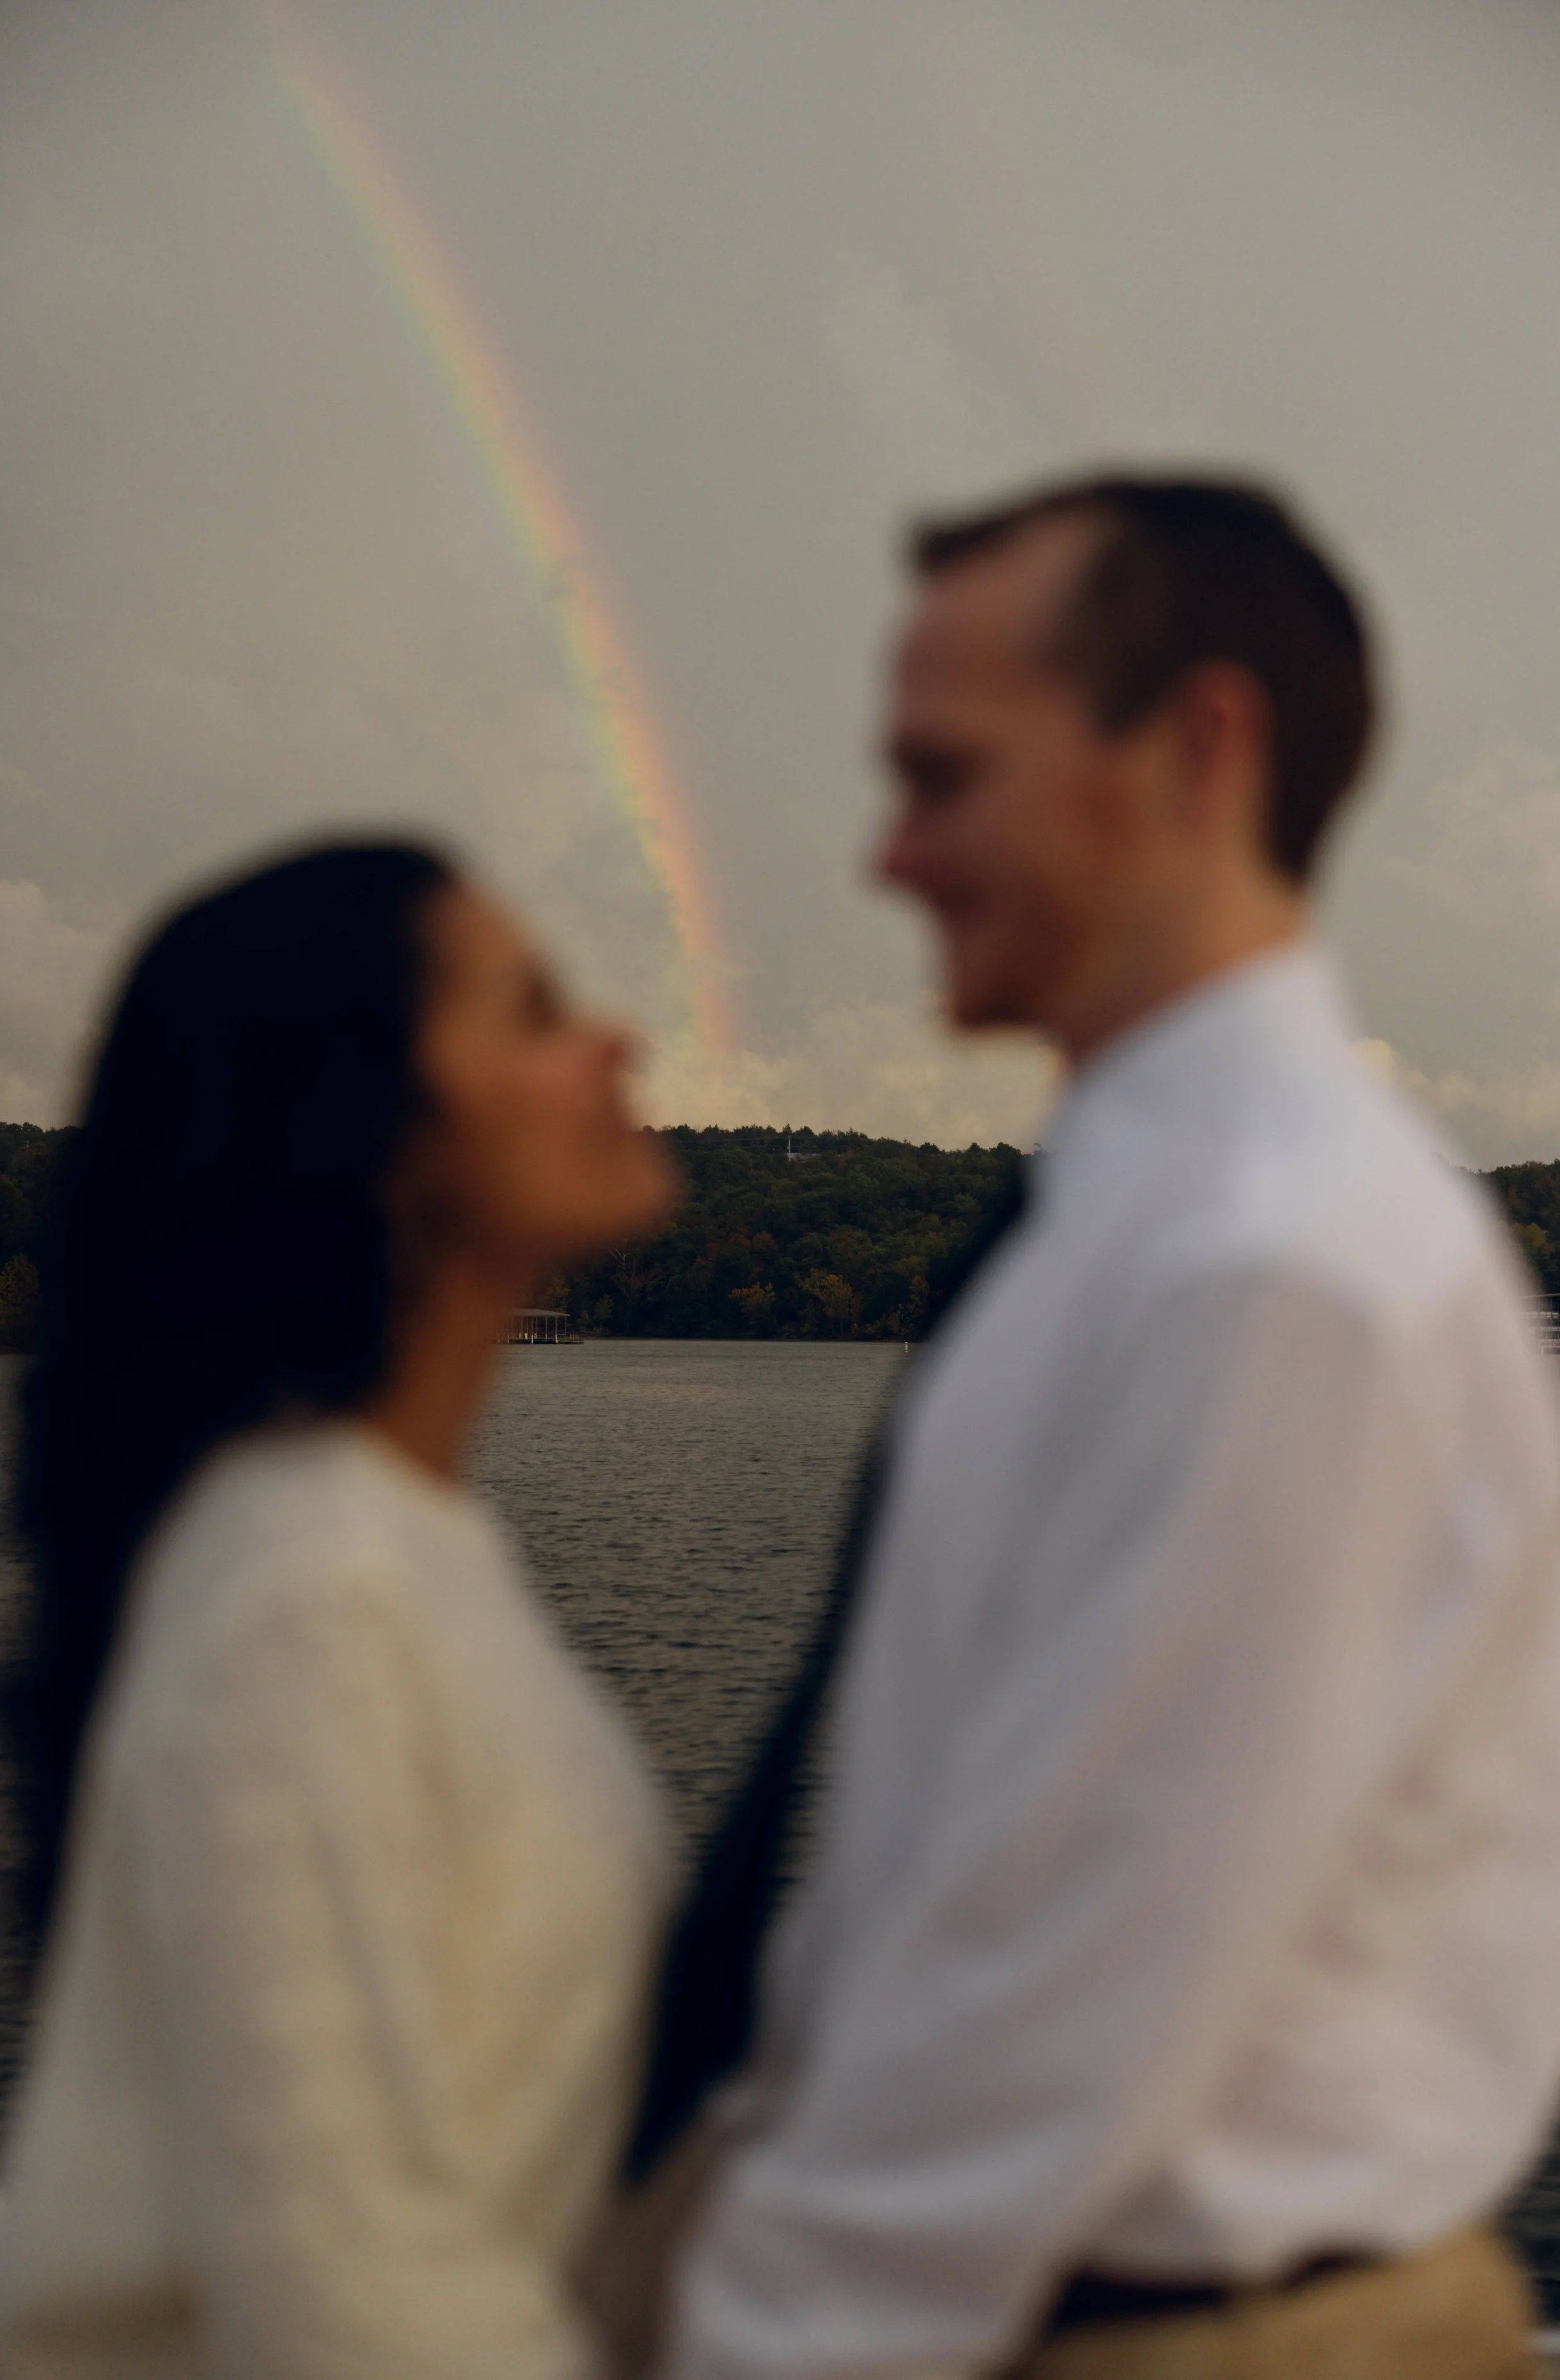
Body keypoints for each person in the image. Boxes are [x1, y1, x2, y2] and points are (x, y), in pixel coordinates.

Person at [648, 479, 1560, 2379]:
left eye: (943, 775)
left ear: (1196, 750)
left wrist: (751, 2337)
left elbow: (1061, 2002)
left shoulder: (1277, 1270)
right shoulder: (1129, 1223)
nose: (888, 854)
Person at [0, 840, 677, 2378]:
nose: (616, 1040)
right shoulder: (307, 1593)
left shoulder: (398, 1548)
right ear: (388, 1135)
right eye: (535, 1010)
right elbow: (343, 2285)